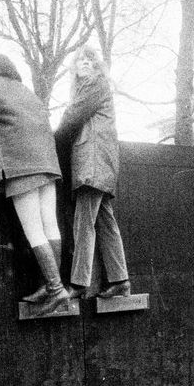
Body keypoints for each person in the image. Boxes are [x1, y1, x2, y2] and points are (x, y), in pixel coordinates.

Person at [0, 54, 70, 315]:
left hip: (20, 165)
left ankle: (56, 290)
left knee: (33, 230)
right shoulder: (28, 93)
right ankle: (51, 284)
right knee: (50, 225)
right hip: (47, 164)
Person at [54, 47, 130, 299]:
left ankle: (78, 283)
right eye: (80, 61)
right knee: (106, 222)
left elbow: (72, 118)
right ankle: (120, 281)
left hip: (93, 165)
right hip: (101, 164)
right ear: (75, 67)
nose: (85, 63)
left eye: (90, 61)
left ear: (97, 68)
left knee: (83, 222)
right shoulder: (95, 88)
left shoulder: (93, 85)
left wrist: (54, 139)